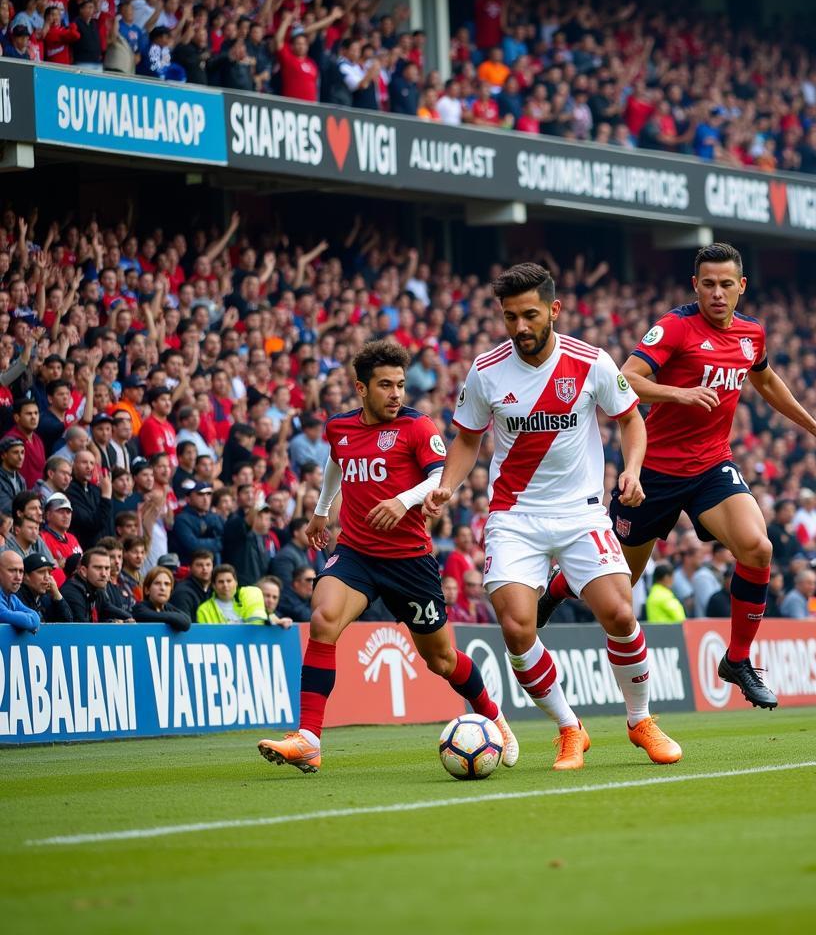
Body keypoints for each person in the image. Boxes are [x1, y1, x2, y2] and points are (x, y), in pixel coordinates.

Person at [543, 243, 816, 711]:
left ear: (741, 286)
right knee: (619, 584)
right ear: (695, 285)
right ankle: (563, 583)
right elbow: (626, 378)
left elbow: (764, 379)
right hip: (653, 472)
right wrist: (680, 394)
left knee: (759, 547)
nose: (717, 293)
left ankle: (738, 659)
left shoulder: (751, 334)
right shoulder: (675, 327)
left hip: (710, 466)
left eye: (727, 284)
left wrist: (815, 427)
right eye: (708, 284)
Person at [425, 264, 680, 770]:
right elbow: (469, 439)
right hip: (514, 517)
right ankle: (570, 728)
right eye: (510, 317)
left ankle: (641, 720)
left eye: (530, 315)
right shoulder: (486, 369)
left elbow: (631, 420)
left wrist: (632, 471)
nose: (520, 327)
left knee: (621, 614)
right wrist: (447, 485)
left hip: (581, 513)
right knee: (518, 629)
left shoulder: (591, 362)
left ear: (554, 311)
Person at [258, 340, 519, 775]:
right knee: (323, 620)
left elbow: (438, 476)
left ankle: (493, 716)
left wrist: (403, 501)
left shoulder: (418, 427)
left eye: (400, 384)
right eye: (385, 385)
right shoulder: (339, 428)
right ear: (361, 389)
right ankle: (308, 739)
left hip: (409, 561)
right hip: (357, 553)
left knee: (442, 660)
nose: (396, 393)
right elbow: (336, 463)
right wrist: (322, 512)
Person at [61, 546, 133, 623]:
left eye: (107, 568)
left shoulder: (96, 587)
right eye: (98, 568)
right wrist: (111, 624)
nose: (104, 574)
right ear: (83, 571)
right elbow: (82, 630)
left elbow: (107, 608)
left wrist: (129, 619)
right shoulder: (72, 593)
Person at [196, 563, 268, 624]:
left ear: (236, 583)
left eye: (229, 581)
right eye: (221, 582)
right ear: (214, 586)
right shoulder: (203, 610)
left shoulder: (247, 600)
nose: (225, 585)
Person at [17, 552, 72, 623]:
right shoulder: (16, 598)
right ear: (25, 576)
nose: (47, 577)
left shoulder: (46, 598)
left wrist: (57, 594)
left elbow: (67, 623)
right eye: (41, 572)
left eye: (49, 572)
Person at [132, 566, 191, 630]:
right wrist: (173, 619)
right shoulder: (139, 609)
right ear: (147, 590)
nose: (163, 588)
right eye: (157, 583)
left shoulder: (168, 608)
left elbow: (186, 622)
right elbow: (147, 616)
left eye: (167, 584)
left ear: (171, 590)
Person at [0, 550, 39, 632]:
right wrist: (28, 621)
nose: (18, 577)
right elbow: (30, 621)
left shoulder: (12, 597)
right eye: (12, 570)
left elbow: (35, 616)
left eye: (21, 571)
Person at [170, 548, 214, 619]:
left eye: (208, 565)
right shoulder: (182, 592)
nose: (205, 568)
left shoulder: (216, 588)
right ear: (190, 568)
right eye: (199, 565)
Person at [0, 435, 27, 515]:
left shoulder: (21, 480)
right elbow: (6, 508)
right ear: (3, 455)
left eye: (22, 452)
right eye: (15, 453)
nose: (21, 457)